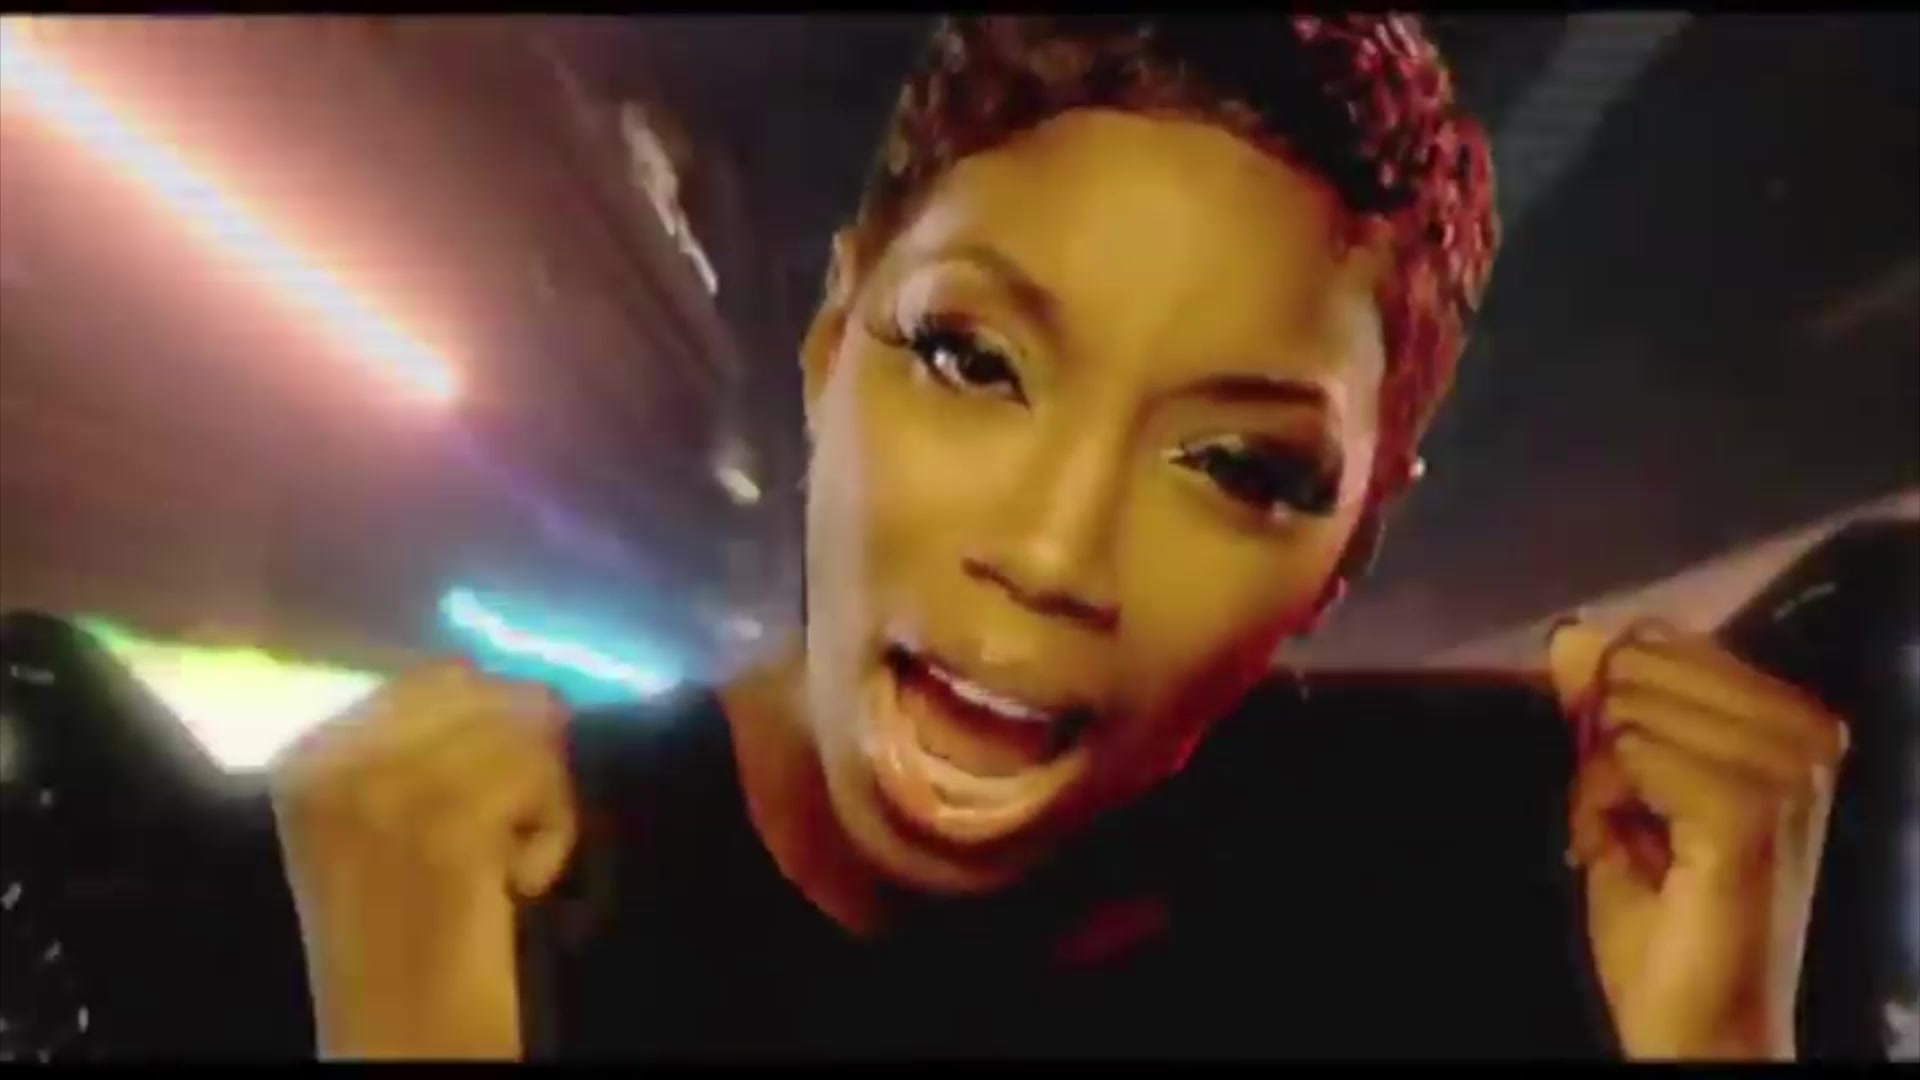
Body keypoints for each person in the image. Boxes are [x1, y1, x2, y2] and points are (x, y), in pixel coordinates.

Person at [269, 15, 1849, 1060]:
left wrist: (1716, 1039)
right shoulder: (454, 896)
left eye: (1237, 466)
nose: (1052, 551)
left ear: (1350, 550)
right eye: (972, 360)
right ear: (830, 338)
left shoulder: (1480, 924)